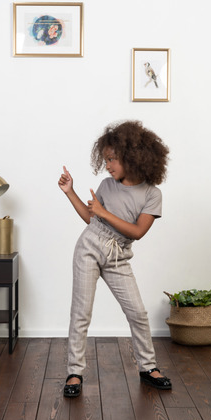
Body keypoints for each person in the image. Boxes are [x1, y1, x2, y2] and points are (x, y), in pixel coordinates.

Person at [58, 120, 171, 397]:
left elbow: (137, 231)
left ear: (132, 157)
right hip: (89, 246)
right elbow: (90, 219)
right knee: (81, 312)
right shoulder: (107, 185)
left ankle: (148, 368)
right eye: (105, 159)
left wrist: (103, 212)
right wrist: (70, 192)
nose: (107, 165)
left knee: (138, 313)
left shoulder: (152, 194)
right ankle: (74, 372)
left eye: (112, 159)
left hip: (118, 254)